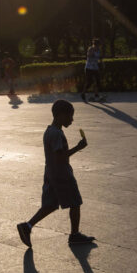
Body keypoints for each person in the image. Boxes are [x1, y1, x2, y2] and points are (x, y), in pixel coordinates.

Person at [17, 99, 95, 248]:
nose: (72, 120)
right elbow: (61, 156)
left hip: (51, 172)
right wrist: (78, 147)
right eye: (69, 116)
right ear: (60, 115)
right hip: (61, 174)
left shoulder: (50, 131)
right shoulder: (56, 134)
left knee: (50, 205)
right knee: (75, 202)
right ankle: (74, 235)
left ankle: (27, 226)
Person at [80, 38, 104, 102]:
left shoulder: (99, 50)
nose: (98, 46)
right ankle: (83, 93)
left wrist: (102, 64)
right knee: (89, 82)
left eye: (99, 45)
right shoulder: (90, 49)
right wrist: (92, 53)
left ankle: (96, 94)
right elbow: (88, 56)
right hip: (89, 68)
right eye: (97, 45)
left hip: (95, 68)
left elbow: (100, 58)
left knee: (97, 81)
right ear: (94, 45)